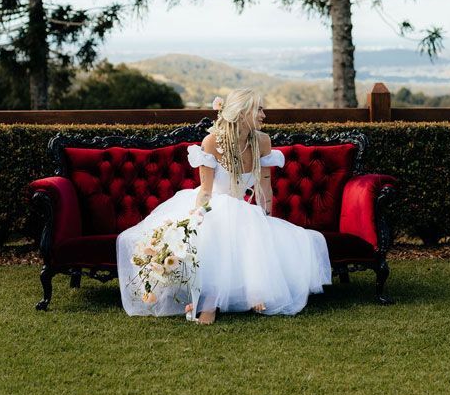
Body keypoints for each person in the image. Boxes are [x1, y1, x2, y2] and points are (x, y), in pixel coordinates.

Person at [117, 88, 331, 324]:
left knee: (268, 230)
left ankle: (253, 290)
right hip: (211, 204)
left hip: (244, 208)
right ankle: (209, 304)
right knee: (215, 231)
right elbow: (206, 190)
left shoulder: (263, 141)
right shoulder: (211, 141)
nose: (263, 115)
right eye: (258, 109)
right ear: (242, 113)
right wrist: (197, 218)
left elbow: (265, 185)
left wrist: (265, 215)